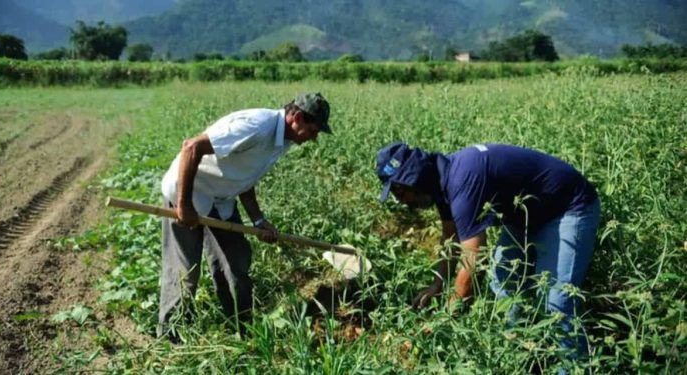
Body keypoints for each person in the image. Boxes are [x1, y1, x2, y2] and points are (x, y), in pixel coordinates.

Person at [375, 142, 600, 357]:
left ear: (414, 179)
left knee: (556, 303)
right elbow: (450, 237)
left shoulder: (462, 181)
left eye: (399, 191)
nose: (401, 201)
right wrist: (438, 283)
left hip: (568, 207)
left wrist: (444, 320)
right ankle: (518, 355)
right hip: (525, 215)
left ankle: (572, 366)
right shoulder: (441, 182)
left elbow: (474, 261)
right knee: (503, 282)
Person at [159, 93, 332, 338]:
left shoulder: (282, 141)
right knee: (185, 272)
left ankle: (242, 330)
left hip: (220, 199)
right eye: (314, 131)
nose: (314, 138)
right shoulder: (256, 126)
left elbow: (245, 177)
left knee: (235, 262)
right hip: (187, 192)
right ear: (298, 117)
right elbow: (192, 147)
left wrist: (259, 220)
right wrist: (183, 205)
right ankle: (170, 337)